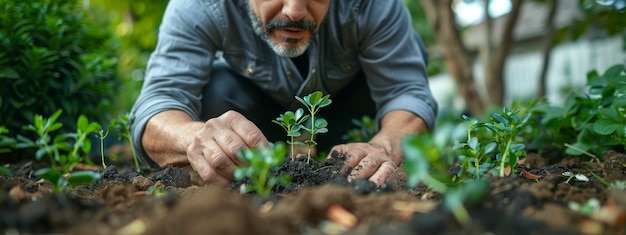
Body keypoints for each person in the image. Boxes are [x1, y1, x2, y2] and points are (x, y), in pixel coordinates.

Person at [129, 0, 438, 187]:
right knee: (218, 88)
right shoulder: (199, 6)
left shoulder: (373, 5)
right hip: (256, 127)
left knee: (414, 49)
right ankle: (255, 166)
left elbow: (406, 92)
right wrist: (193, 136)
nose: (294, 11)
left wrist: (383, 145)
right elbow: (158, 104)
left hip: (347, 118)